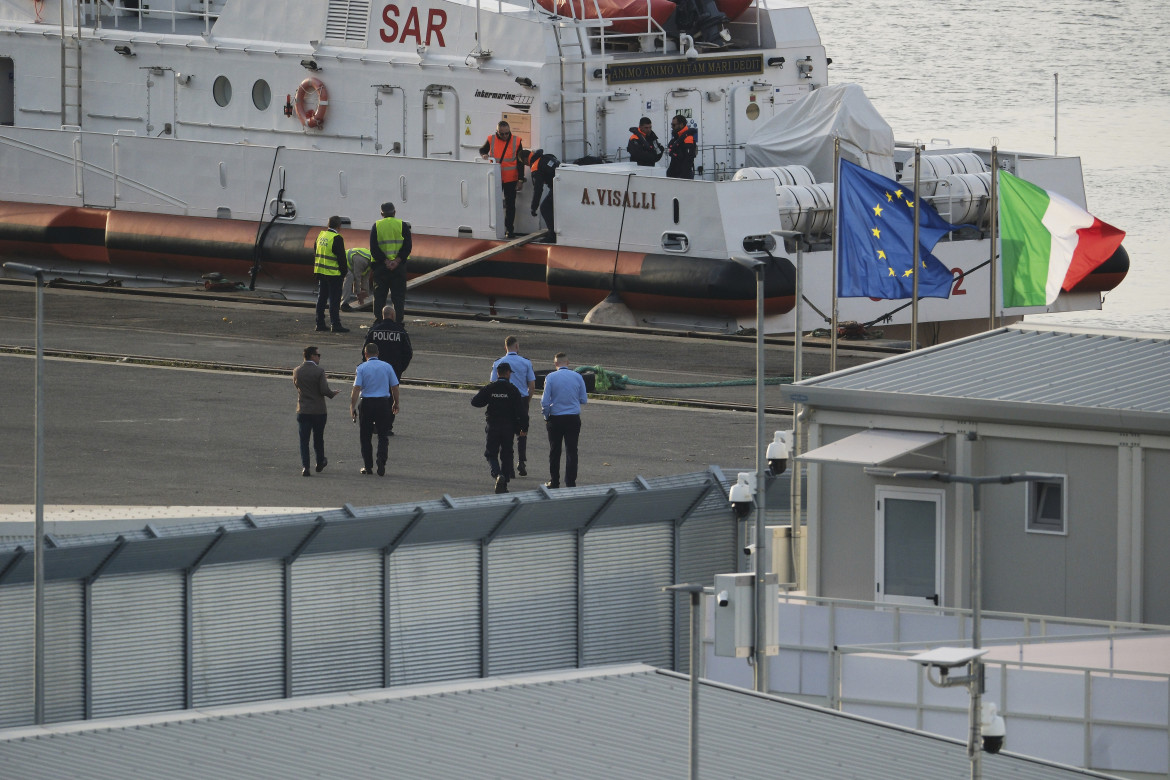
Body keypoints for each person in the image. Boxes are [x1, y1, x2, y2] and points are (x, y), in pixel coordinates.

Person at [471, 361, 525, 494]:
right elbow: (521, 411)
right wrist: (523, 428)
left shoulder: (491, 388)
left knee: (491, 453)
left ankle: (497, 474)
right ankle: (504, 483)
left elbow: (475, 402)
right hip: (508, 427)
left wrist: (488, 399)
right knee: (507, 454)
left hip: (493, 425)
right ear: (508, 373)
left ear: (497, 373)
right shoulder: (513, 389)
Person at [350, 341, 400, 476]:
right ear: (378, 353)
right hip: (383, 403)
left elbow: (356, 388)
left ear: (365, 354)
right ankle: (381, 461)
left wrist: (352, 406)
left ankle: (368, 466)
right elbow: (395, 386)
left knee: (365, 436)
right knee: (383, 435)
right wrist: (396, 402)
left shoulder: (361, 368)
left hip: (367, 403)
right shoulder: (387, 366)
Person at [540, 352, 588, 488]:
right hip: (573, 418)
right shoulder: (578, 377)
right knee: (572, 451)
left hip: (555, 418)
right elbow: (584, 399)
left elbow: (544, 401)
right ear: (568, 363)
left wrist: (546, 415)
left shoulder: (550, 377)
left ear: (555, 364)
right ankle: (570, 482)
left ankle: (554, 481)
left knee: (554, 451)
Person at [363, 303, 413, 433]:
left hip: (375, 370)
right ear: (392, 315)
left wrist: (367, 365)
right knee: (390, 397)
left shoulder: (374, 330)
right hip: (393, 370)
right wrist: (401, 368)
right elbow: (408, 352)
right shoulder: (400, 331)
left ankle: (375, 424)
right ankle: (386, 425)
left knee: (375, 395)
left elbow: (365, 350)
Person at [491, 335, 536, 477]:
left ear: (505, 347)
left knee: (506, 431)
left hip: (504, 400)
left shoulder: (498, 362)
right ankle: (521, 460)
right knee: (522, 431)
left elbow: (493, 383)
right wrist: (527, 400)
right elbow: (532, 385)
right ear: (517, 346)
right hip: (521, 399)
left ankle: (507, 465)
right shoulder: (526, 362)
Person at [292, 345, 340, 477]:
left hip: (303, 409)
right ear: (312, 356)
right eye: (318, 355)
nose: (319, 358)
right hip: (318, 411)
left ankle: (305, 467)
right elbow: (324, 390)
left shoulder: (297, 370)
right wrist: (332, 393)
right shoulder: (319, 371)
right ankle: (320, 461)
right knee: (318, 438)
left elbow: (297, 385)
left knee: (304, 440)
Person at [479, 120, 526, 239]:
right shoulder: (491, 139)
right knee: (493, 203)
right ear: (497, 132)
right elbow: (482, 150)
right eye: (502, 134)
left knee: (510, 205)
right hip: (495, 177)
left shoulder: (516, 141)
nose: (505, 136)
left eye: (507, 133)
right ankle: (492, 229)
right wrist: (484, 154)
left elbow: (521, 162)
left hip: (511, 179)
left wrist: (520, 179)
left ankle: (509, 230)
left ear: (509, 131)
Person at [370, 202, 411, 324]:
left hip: (381, 267)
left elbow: (374, 248)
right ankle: (398, 323)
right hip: (398, 268)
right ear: (394, 212)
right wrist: (397, 261)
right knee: (398, 298)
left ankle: (379, 322)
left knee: (379, 297)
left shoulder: (376, 226)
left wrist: (386, 261)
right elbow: (408, 246)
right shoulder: (402, 225)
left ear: (382, 213)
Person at [314, 216, 349, 333]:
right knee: (334, 300)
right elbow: (342, 259)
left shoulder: (321, 235)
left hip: (320, 271)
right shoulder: (337, 238)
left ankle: (319, 323)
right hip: (333, 274)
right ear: (339, 226)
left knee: (321, 298)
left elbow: (315, 250)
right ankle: (335, 324)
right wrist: (344, 273)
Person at [520, 148, 559, 241]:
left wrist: (534, 207)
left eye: (525, 163)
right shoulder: (545, 156)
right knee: (552, 206)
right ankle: (554, 232)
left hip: (558, 187)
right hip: (561, 184)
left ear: (525, 159)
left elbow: (538, 189)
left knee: (545, 207)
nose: (526, 165)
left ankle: (553, 236)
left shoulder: (535, 166)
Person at [666, 114, 697, 180]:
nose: (672, 127)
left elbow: (688, 160)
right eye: (671, 124)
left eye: (674, 125)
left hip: (682, 176)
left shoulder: (688, 139)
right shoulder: (677, 137)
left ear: (681, 125)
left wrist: (682, 177)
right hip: (674, 174)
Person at [341, 247, 372, 312]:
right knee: (350, 276)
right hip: (342, 260)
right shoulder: (363, 261)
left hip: (352, 264)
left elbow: (365, 279)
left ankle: (346, 301)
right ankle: (344, 304)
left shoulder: (370, 263)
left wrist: (365, 292)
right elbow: (357, 277)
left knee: (352, 275)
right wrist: (358, 294)